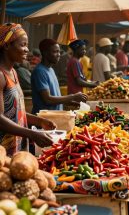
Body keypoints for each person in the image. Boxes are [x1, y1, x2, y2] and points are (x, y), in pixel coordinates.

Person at [0, 23, 56, 156]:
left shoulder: (13, 72)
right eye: (23, 45)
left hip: (18, 149)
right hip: (3, 153)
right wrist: (32, 134)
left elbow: (16, 112)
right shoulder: (1, 75)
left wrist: (39, 121)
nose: (27, 50)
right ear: (7, 45)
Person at [31, 39, 88, 114]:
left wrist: (76, 104)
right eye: (55, 52)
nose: (58, 55)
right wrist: (73, 96)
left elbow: (57, 98)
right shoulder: (39, 71)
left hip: (54, 117)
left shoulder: (51, 70)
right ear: (45, 53)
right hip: (44, 119)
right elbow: (48, 99)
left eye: (59, 52)